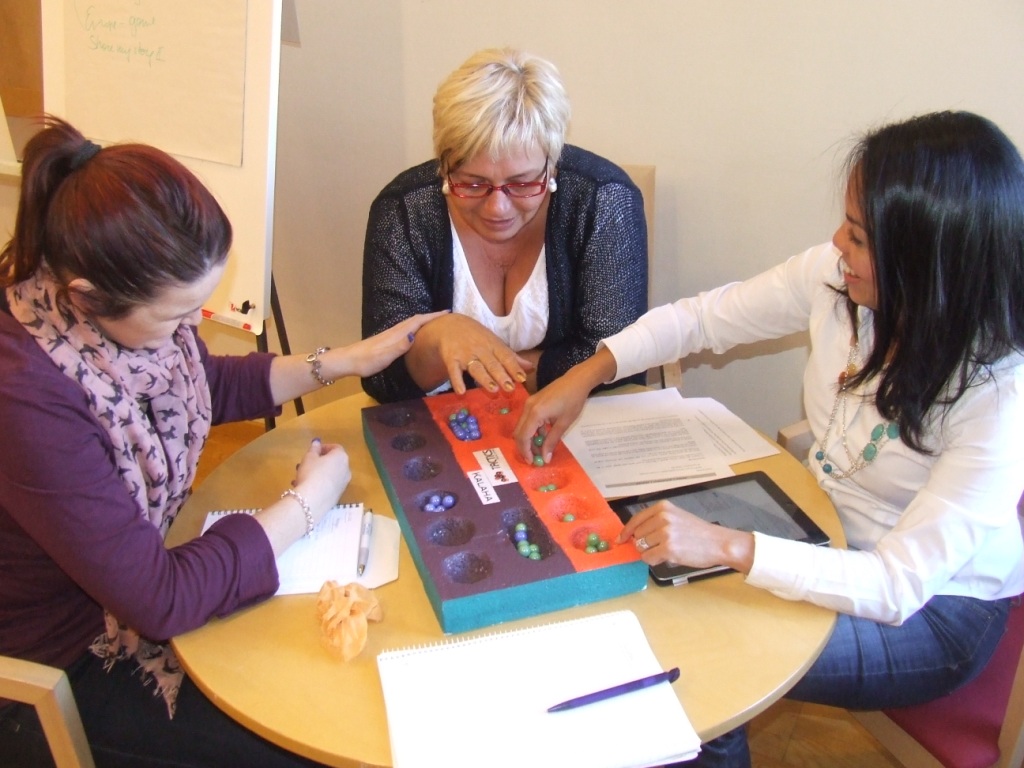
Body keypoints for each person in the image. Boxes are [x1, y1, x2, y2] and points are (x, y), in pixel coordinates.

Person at [513, 110, 1024, 767]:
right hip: (820, 526)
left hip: (934, 611)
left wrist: (726, 544)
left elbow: (896, 586)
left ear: (926, 262)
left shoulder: (998, 397)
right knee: (638, 561)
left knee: (704, 662)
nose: (837, 242)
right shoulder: (837, 280)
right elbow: (700, 320)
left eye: (859, 235)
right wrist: (585, 375)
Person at [0, 117, 444, 767]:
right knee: (305, 739)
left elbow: (199, 382)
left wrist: (344, 361)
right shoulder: (27, 401)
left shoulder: (94, 316)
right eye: (178, 316)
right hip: (64, 662)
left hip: (134, 578)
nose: (193, 328)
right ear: (87, 298)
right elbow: (161, 600)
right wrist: (306, 505)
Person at [360, 47, 649, 403]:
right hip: (448, 427)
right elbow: (382, 378)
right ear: (444, 166)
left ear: (552, 164)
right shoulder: (404, 211)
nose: (497, 208)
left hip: (581, 423)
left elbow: (618, 364)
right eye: (472, 183)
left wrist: (470, 371)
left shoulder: (603, 199)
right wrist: (439, 336)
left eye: (522, 183)